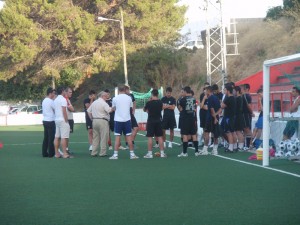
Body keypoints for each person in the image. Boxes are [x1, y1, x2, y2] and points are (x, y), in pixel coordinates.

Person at [109, 84, 139, 160]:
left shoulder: (115, 98)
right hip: (127, 120)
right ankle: (132, 154)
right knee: (129, 137)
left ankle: (115, 155)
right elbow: (130, 108)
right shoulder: (129, 98)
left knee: (117, 138)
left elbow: (114, 108)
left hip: (118, 120)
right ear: (125, 90)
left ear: (118, 90)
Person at [143, 89, 167, 158]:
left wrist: (148, 103)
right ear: (157, 94)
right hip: (159, 121)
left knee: (150, 137)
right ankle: (162, 153)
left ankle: (150, 154)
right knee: (160, 137)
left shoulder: (149, 103)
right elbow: (161, 108)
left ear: (152, 94)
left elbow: (144, 109)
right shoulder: (160, 102)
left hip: (151, 121)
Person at [87, 91, 112, 157]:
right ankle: (102, 152)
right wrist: (114, 108)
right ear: (102, 96)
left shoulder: (94, 102)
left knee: (95, 137)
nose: (107, 97)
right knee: (104, 137)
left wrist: (92, 119)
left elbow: (88, 111)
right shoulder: (104, 103)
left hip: (95, 120)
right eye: (106, 96)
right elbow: (109, 110)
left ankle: (94, 152)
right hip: (103, 121)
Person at [177, 86, 199, 157]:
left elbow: (180, 109)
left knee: (185, 135)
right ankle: (196, 151)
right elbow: (194, 108)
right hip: (192, 118)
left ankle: (184, 152)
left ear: (186, 92)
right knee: (194, 135)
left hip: (185, 119)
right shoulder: (193, 99)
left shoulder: (182, 100)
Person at [201, 86, 222, 155]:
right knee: (215, 134)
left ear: (208, 91)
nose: (205, 92)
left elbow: (211, 109)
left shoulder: (209, 98)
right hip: (216, 118)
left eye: (206, 90)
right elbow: (220, 109)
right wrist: (216, 116)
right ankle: (215, 150)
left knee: (207, 133)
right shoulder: (216, 98)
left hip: (210, 118)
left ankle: (205, 149)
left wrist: (214, 118)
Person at [53, 86, 72, 158]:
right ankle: (65, 154)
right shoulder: (63, 100)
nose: (66, 92)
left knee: (57, 137)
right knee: (64, 137)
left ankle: (57, 153)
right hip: (62, 120)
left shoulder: (55, 100)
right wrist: (66, 120)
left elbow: (55, 110)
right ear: (63, 91)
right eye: (65, 91)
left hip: (57, 119)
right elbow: (64, 111)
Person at [221, 84, 236, 153]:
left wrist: (223, 100)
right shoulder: (233, 98)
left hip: (228, 117)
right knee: (232, 132)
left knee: (228, 132)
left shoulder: (228, 98)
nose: (224, 91)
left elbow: (222, 106)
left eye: (225, 90)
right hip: (232, 117)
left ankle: (230, 147)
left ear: (228, 91)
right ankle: (234, 146)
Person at [42, 87, 56, 157]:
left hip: (45, 120)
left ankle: (44, 153)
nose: (54, 95)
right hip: (50, 120)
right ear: (50, 93)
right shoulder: (51, 101)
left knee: (46, 138)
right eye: (53, 93)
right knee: (51, 138)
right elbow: (55, 109)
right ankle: (51, 153)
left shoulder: (44, 100)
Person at [241, 84, 254, 150]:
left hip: (246, 114)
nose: (241, 89)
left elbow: (249, 106)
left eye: (243, 88)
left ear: (247, 89)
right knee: (245, 130)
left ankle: (251, 144)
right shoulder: (243, 96)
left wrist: (252, 112)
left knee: (247, 129)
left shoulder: (247, 96)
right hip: (243, 114)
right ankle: (246, 145)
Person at [234, 86, 245, 151]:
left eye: (234, 91)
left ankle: (241, 145)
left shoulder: (239, 98)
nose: (233, 92)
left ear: (237, 91)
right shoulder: (238, 98)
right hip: (238, 116)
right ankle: (240, 145)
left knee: (238, 131)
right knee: (237, 131)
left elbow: (238, 108)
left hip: (238, 116)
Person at [65, 87, 74, 154]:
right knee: (66, 135)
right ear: (66, 92)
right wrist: (72, 108)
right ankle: (66, 149)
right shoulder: (66, 100)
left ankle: (66, 148)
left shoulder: (67, 99)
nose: (71, 93)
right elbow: (71, 109)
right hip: (68, 119)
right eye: (70, 92)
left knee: (67, 135)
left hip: (69, 118)